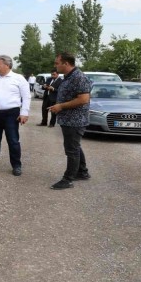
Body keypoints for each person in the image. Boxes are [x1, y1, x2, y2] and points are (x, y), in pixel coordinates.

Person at [0, 55, 31, 176]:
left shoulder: (18, 78)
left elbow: (26, 96)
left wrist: (24, 113)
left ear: (7, 65)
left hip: (11, 114)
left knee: (13, 140)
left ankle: (16, 165)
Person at [48, 52, 92, 189]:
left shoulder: (78, 77)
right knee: (75, 146)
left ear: (66, 63)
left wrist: (60, 106)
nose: (55, 66)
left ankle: (68, 179)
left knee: (71, 150)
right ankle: (82, 172)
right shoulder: (68, 77)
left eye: (57, 63)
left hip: (75, 120)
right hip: (68, 119)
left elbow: (84, 99)